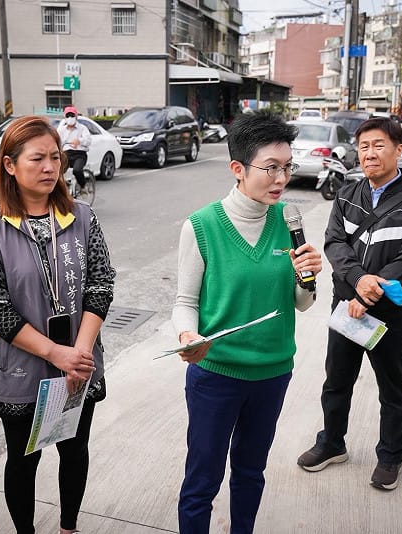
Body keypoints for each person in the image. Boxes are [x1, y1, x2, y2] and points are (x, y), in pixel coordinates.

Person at [172, 110, 323, 533]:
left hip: (272, 372)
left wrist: (306, 277)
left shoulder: (287, 221)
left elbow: (303, 304)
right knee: (202, 480)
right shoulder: (201, 226)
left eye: (287, 167)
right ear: (238, 168)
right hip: (216, 373)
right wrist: (188, 335)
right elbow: (185, 301)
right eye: (270, 168)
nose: (281, 178)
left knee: (251, 473)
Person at [0, 115, 115, 534]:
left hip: (79, 364)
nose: (50, 167)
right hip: (22, 368)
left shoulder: (82, 217)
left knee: (75, 447)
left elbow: (101, 285)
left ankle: (69, 527)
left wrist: (79, 354)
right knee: (23, 458)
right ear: (10, 165)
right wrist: (55, 353)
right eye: (37, 159)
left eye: (55, 157)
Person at [296, 117, 402, 490]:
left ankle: (391, 456)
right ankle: (332, 443)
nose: (369, 153)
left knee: (392, 386)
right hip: (347, 307)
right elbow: (334, 243)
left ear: (398, 149)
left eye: (378, 145)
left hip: (390, 312)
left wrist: (369, 293)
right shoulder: (346, 193)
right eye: (364, 147)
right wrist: (358, 284)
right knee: (336, 381)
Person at [56, 105, 91, 188]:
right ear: (65, 117)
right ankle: (63, 188)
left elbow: (88, 141)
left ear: (76, 117)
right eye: (68, 116)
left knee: (77, 170)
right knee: (57, 171)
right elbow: (57, 141)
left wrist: (79, 141)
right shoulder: (61, 130)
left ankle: (83, 186)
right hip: (66, 154)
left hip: (80, 154)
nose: (70, 118)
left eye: (72, 115)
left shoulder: (82, 128)